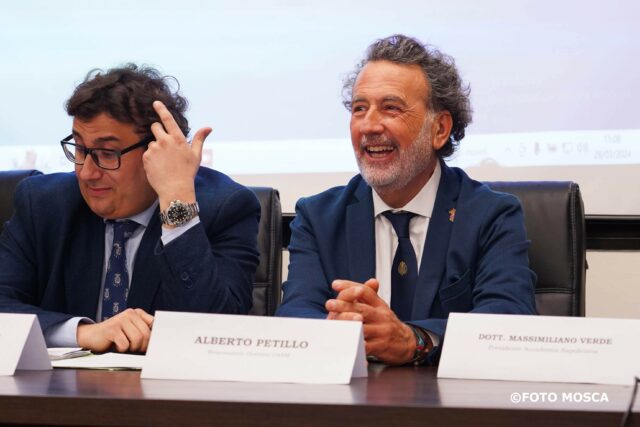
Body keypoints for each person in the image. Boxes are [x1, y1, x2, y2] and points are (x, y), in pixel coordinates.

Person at [276, 35, 536, 365]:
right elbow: (296, 314)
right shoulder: (319, 217)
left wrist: (414, 340)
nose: (369, 126)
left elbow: (508, 318)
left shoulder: (490, 215)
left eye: (391, 108)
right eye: (359, 109)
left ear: (439, 129)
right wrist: (340, 331)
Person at [0, 64, 260, 353]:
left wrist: (176, 202)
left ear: (156, 152)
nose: (86, 172)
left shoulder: (224, 208)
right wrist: (83, 332)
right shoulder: (44, 204)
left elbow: (215, 333)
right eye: (81, 149)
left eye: (107, 153)